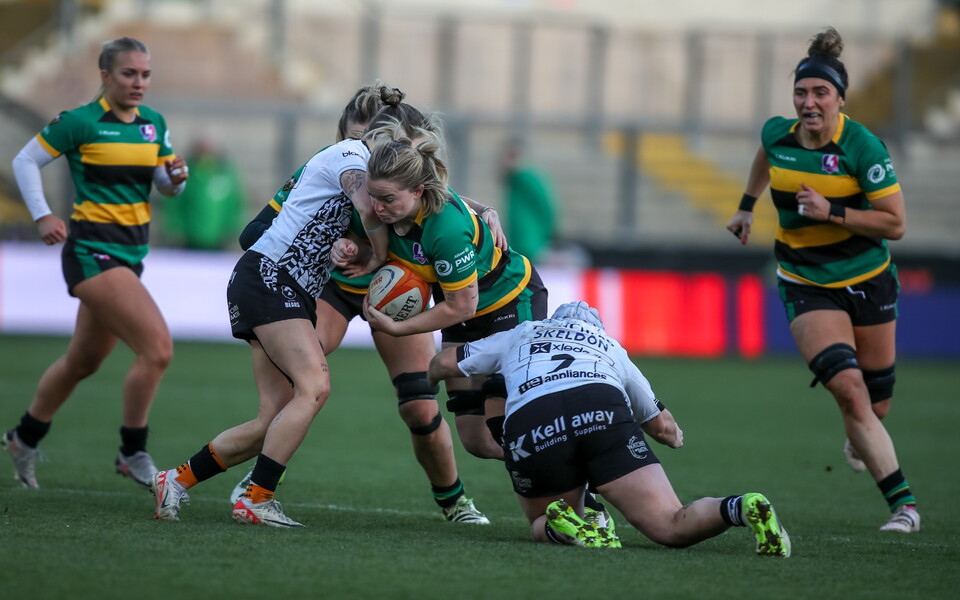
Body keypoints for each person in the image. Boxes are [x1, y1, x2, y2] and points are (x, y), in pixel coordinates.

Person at [150, 87, 431, 528]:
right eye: (407, 147)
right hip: (270, 278)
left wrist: (480, 209)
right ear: (387, 135)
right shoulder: (352, 156)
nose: (408, 159)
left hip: (279, 285)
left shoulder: (363, 164)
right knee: (315, 385)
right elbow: (368, 208)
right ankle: (256, 498)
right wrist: (377, 257)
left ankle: (175, 480)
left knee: (271, 420)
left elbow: (415, 200)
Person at [228, 85, 499, 524]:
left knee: (419, 406)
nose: (369, 154)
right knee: (297, 383)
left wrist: (485, 209)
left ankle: (455, 501)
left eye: (379, 143)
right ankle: (259, 482)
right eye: (358, 140)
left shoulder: (406, 180)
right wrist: (323, 245)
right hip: (334, 287)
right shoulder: (331, 164)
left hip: (399, 292)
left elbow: (439, 199)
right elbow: (254, 232)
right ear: (344, 138)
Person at [725, 27, 919, 533]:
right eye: (801, 92)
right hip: (805, 282)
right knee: (850, 391)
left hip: (869, 280)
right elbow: (766, 154)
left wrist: (832, 211)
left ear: (839, 98)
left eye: (820, 92)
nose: (808, 102)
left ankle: (861, 434)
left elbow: (896, 224)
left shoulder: (863, 147)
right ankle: (904, 506)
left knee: (877, 403)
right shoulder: (778, 135)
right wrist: (746, 207)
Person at [426, 301, 791, 555]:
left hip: (535, 420)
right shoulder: (610, 346)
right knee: (670, 525)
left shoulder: (523, 332)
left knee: (541, 518)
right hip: (601, 409)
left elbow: (444, 364)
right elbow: (661, 426)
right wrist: (675, 438)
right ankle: (741, 506)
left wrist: (425, 384)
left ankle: (570, 526)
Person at [1, 37, 188, 490]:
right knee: (158, 349)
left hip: (131, 254)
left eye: (145, 74)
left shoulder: (153, 123)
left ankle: (24, 438)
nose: (139, 82)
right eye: (129, 73)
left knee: (83, 361)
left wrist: (175, 179)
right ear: (105, 76)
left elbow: (165, 185)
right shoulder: (80, 122)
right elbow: (25, 161)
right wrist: (43, 214)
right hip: (92, 252)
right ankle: (132, 450)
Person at [348, 122, 549, 462]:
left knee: (507, 424)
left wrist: (397, 328)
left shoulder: (445, 229)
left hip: (510, 302)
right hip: (463, 316)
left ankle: (578, 482)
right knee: (477, 440)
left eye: (388, 199)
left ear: (418, 191)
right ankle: (555, 466)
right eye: (374, 196)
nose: (377, 207)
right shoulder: (384, 206)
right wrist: (347, 247)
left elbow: (462, 306)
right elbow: (352, 234)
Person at [163, 135, 244, 250]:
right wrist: (177, 229)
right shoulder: (187, 175)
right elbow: (175, 204)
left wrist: (231, 228)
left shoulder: (225, 175)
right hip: (190, 239)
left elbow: (235, 204)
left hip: (218, 239)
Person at [499, 136, 558, 264]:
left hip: (530, 243)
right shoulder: (514, 181)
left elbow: (546, 208)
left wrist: (548, 234)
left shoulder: (528, 179)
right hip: (519, 242)